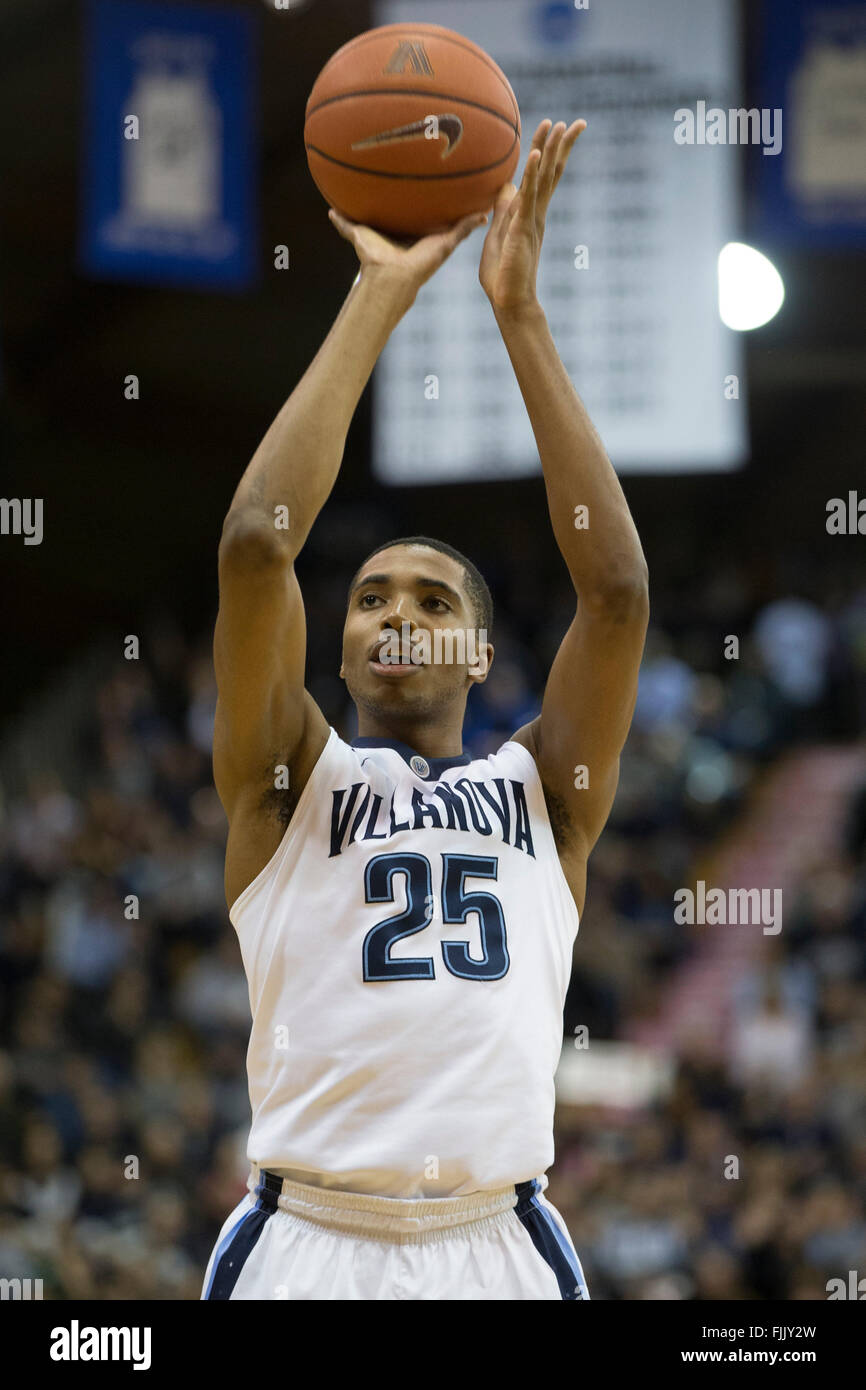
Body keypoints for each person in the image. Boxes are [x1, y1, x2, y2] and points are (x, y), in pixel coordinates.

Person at [202, 119, 649, 1301]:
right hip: (308, 1241)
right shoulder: (287, 784)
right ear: (337, 650)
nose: (394, 611)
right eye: (365, 597)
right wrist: (377, 296)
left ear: (479, 651)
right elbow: (256, 544)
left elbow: (614, 593)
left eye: (429, 594)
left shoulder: (543, 795)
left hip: (498, 1240)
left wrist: (520, 316)